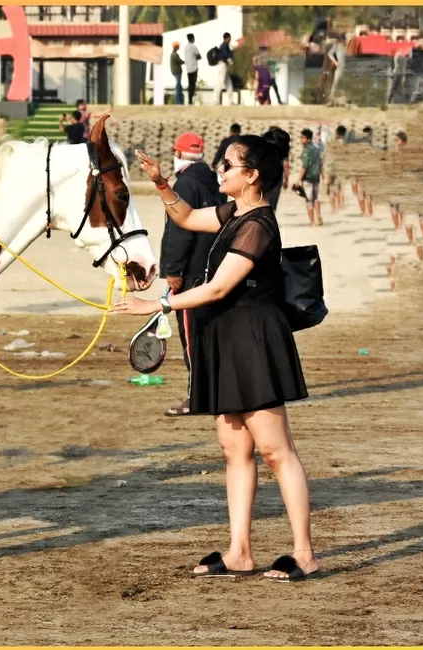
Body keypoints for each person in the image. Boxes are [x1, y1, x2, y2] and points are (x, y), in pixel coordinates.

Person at [124, 129, 319, 582]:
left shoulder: (258, 225)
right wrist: (160, 184)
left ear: (251, 176)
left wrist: (156, 304)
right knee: (235, 449)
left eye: (228, 166)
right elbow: (189, 218)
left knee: (275, 450)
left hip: (252, 338)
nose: (220, 171)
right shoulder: (235, 212)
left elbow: (218, 287)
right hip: (224, 336)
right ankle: (239, 552)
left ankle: (305, 553)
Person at [158, 132, 224, 417]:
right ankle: (216, 391)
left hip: (191, 273)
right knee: (209, 334)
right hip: (214, 270)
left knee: (192, 335)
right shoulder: (214, 181)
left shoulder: (185, 183)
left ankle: (197, 396)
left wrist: (172, 270)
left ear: (178, 152)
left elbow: (179, 230)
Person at [296, 128, 323, 227]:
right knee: (316, 198)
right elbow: (320, 164)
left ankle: (312, 222)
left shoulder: (306, 150)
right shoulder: (316, 149)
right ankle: (318, 216)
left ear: (308, 139)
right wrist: (323, 176)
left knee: (309, 200)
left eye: (302, 138)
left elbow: (304, 166)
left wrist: (299, 180)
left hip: (308, 178)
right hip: (316, 177)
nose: (301, 140)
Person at [265, 125, 290, 211]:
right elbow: (286, 165)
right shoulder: (282, 148)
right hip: (277, 178)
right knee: (273, 204)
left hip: (265, 177)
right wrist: (286, 180)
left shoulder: (263, 145)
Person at [213, 32, 234, 106]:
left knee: (228, 83)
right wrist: (231, 51)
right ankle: (215, 100)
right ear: (227, 38)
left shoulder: (225, 46)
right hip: (222, 65)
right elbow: (226, 55)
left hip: (224, 65)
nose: (230, 39)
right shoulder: (224, 46)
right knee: (220, 82)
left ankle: (230, 100)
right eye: (230, 38)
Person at [183, 34, 201, 105]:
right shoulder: (194, 47)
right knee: (193, 84)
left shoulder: (185, 47)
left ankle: (189, 99)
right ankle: (191, 100)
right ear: (192, 38)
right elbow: (199, 56)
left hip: (188, 68)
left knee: (190, 84)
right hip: (194, 68)